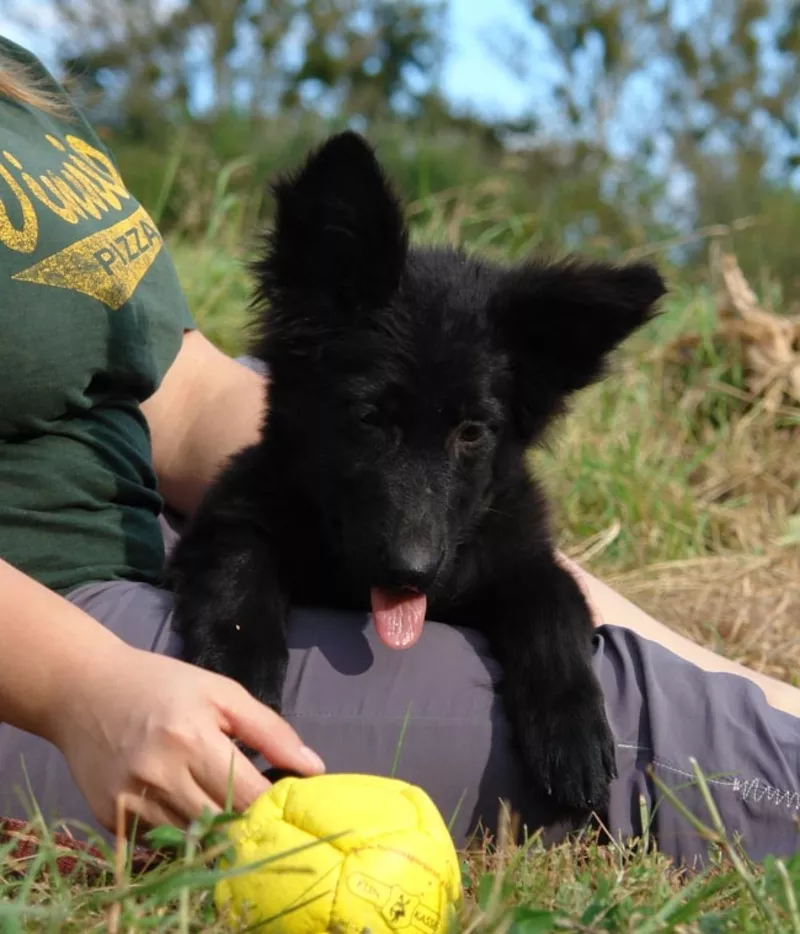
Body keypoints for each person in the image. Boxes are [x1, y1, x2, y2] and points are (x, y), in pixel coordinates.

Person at [0, 35, 797, 870]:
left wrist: (711, 666)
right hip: (49, 647)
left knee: (651, 678)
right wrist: (81, 689)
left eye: (470, 434)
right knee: (675, 747)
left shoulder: (24, 83)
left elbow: (181, 391)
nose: (416, 546)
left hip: (134, 542)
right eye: (375, 421)